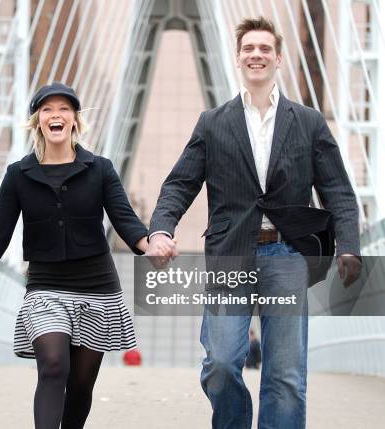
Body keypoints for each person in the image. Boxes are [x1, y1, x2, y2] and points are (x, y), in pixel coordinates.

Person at [146, 17, 361, 428]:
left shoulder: (309, 123)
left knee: (285, 375)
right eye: (249, 49)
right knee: (223, 363)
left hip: (287, 256)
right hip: (231, 255)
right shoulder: (214, 122)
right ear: (239, 58)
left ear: (277, 58)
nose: (256, 55)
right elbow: (179, 184)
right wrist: (160, 230)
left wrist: (348, 245)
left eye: (265, 48)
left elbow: (338, 192)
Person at [0, 82, 148, 429]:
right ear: (37, 120)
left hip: (98, 289)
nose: (56, 115)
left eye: (64, 109)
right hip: (46, 287)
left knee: (81, 384)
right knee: (53, 365)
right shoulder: (19, 175)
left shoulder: (100, 169)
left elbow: (124, 219)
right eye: (48, 109)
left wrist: (149, 245)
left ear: (75, 120)